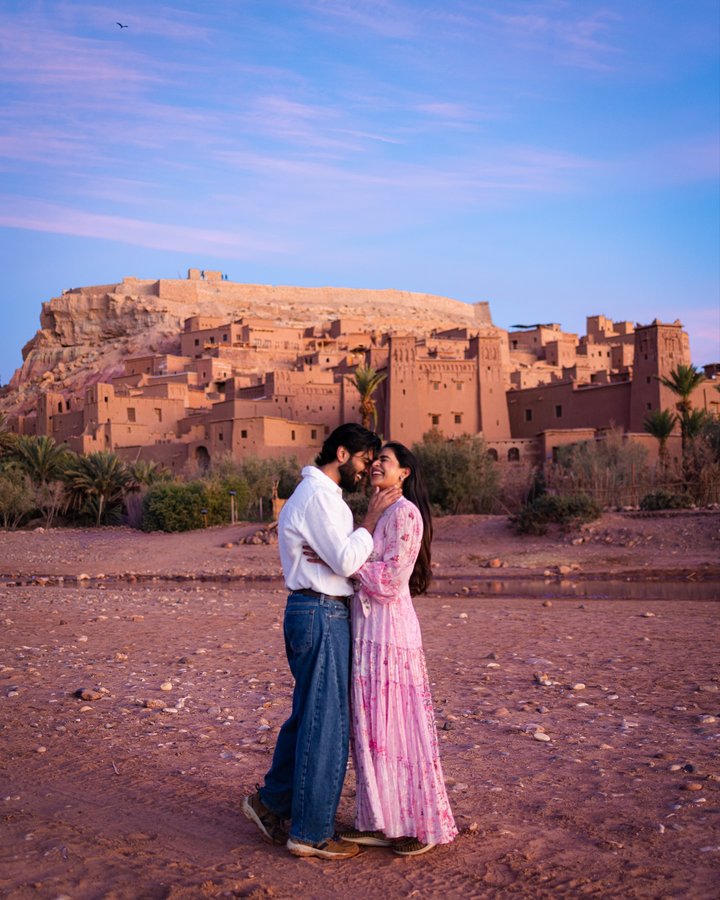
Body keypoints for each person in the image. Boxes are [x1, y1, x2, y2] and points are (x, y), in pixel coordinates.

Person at [243, 424, 402, 860]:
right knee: (327, 722)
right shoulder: (318, 497)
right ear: (342, 452)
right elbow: (350, 558)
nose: (367, 470)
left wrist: (345, 556)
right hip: (320, 611)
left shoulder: (324, 498)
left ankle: (271, 803)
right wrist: (367, 524)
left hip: (318, 609)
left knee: (309, 714)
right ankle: (311, 831)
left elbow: (344, 559)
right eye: (365, 461)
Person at [339, 442, 458, 856]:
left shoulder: (406, 514)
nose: (374, 465)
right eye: (373, 460)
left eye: (384, 461)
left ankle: (417, 824)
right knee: (374, 730)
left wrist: (343, 562)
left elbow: (390, 581)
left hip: (391, 636)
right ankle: (381, 821)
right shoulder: (380, 514)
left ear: (404, 473)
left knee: (399, 729)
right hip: (368, 632)